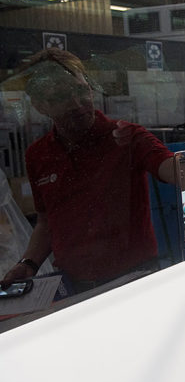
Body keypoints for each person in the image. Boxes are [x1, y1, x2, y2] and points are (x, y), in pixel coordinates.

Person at [0, 48, 175, 293]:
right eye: (61, 96)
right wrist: (28, 263)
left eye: (82, 91)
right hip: (73, 287)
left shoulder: (126, 137)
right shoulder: (38, 155)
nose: (77, 104)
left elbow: (175, 170)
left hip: (135, 281)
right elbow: (47, 221)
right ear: (40, 106)